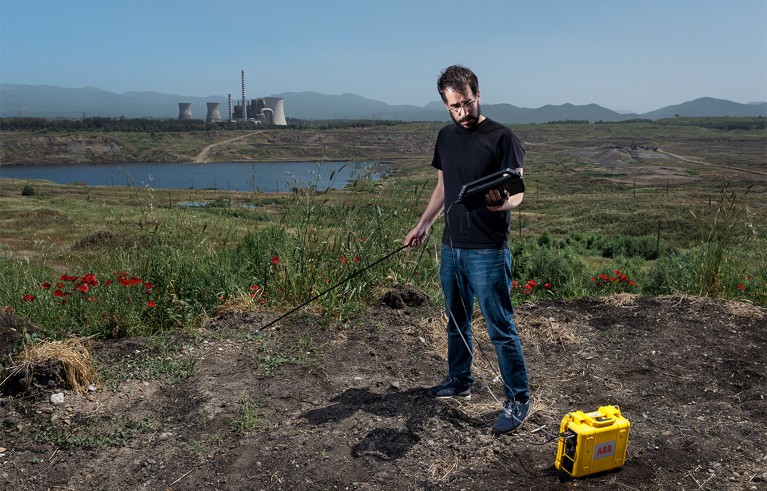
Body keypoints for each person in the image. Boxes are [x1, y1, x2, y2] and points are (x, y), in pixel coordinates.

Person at [404, 65, 530, 434]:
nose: (463, 113)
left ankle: (518, 398)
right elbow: (444, 186)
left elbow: (518, 190)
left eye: (468, 103)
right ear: (445, 104)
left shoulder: (503, 137)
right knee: (455, 320)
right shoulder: (445, 136)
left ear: (478, 94)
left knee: (500, 327)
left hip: (488, 251)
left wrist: (501, 205)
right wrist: (423, 224)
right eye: (454, 107)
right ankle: (460, 380)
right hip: (452, 247)